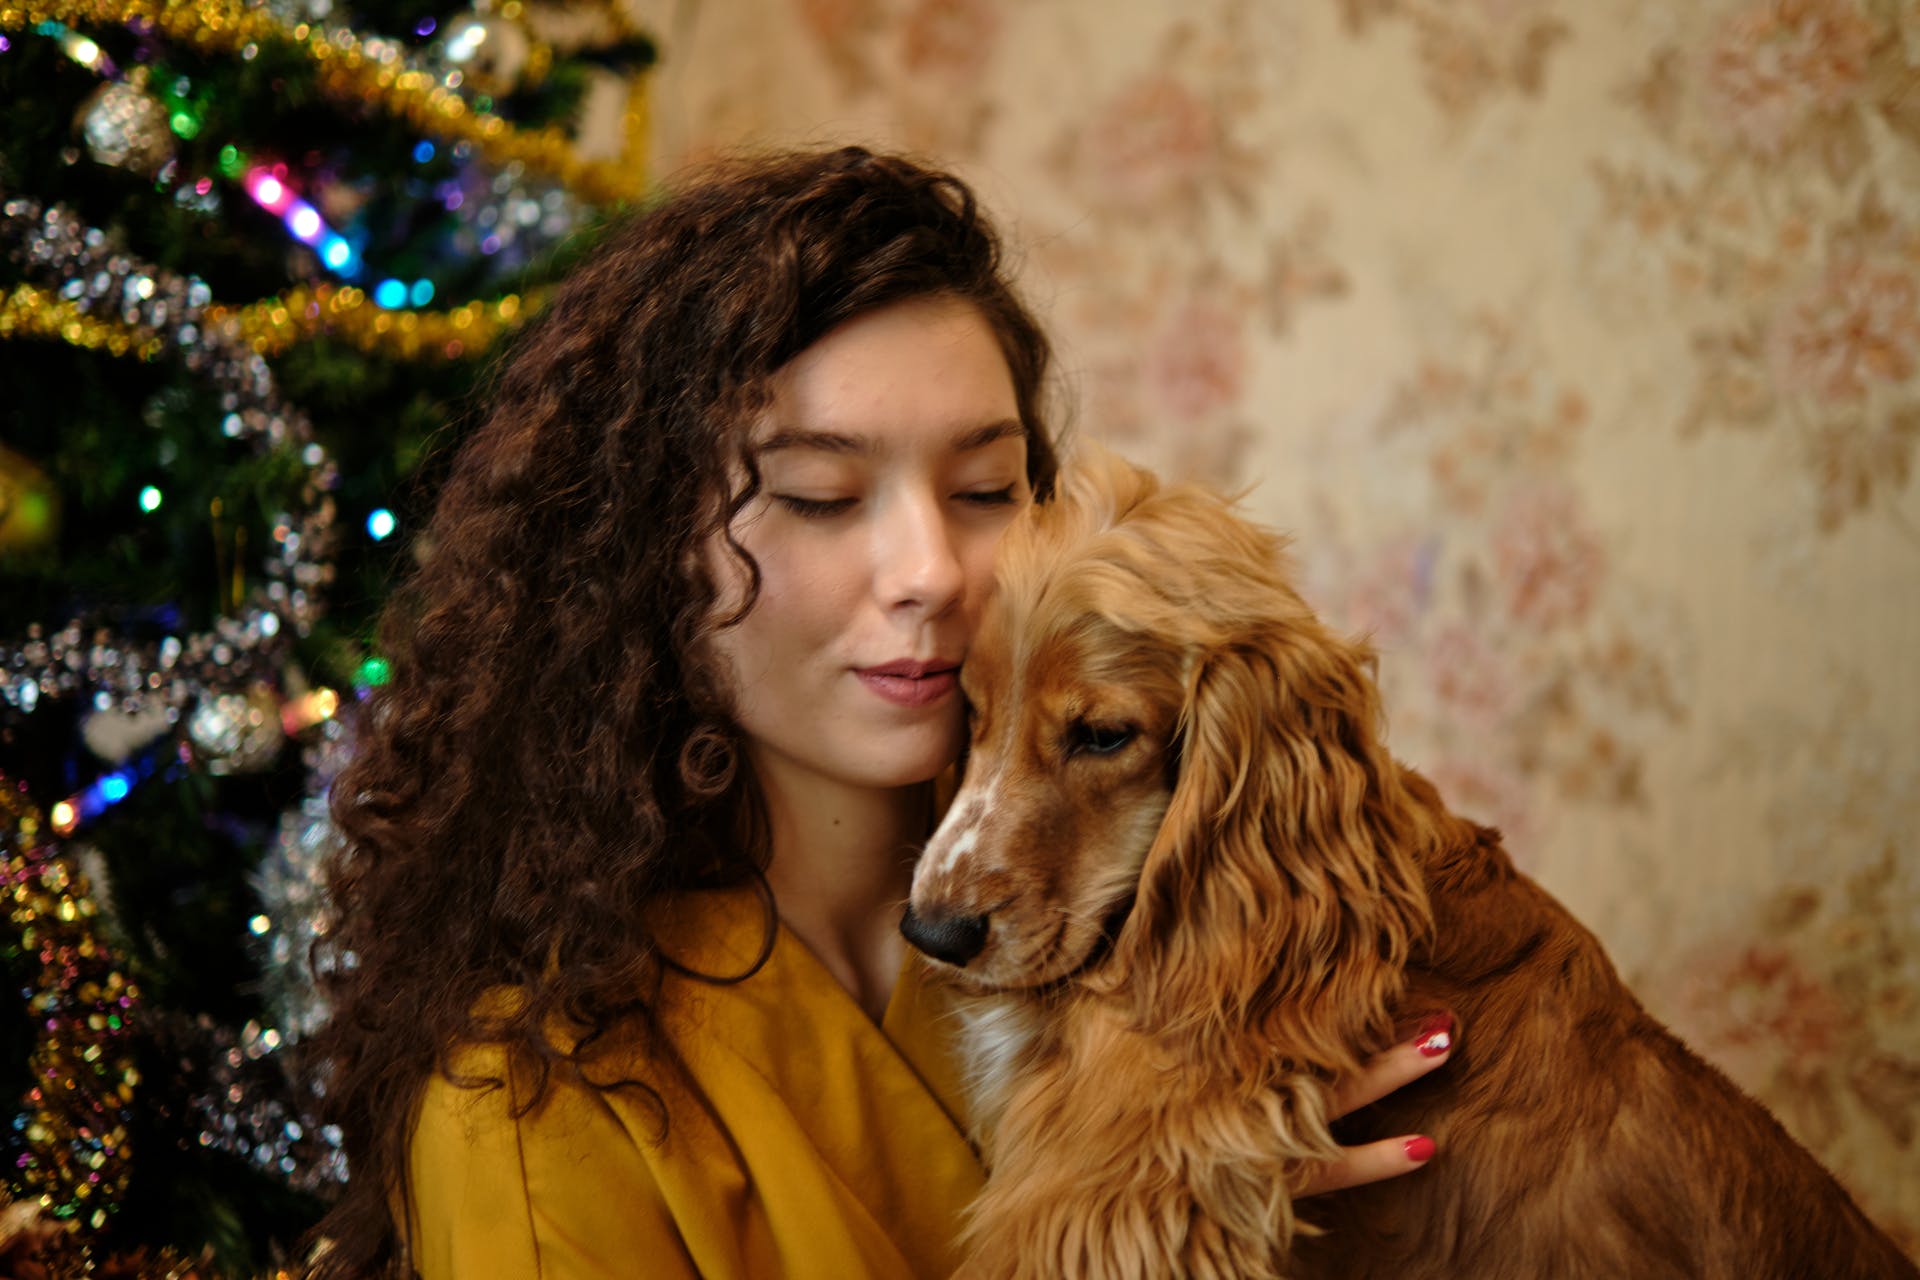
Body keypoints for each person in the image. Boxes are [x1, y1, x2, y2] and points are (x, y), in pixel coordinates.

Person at [307, 146, 1457, 1279]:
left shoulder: (1205, 905)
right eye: (819, 495)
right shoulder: (528, 1104)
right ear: (645, 551)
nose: (931, 571)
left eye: (985, 490)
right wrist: (1150, 1236)